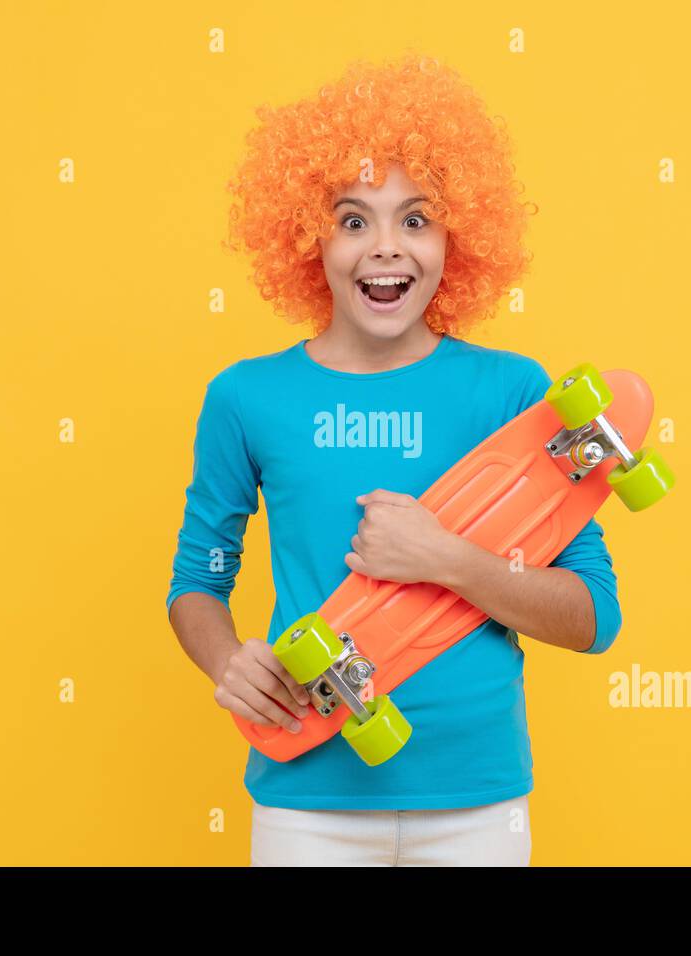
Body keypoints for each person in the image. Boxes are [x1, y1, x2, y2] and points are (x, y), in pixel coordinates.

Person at [166, 53, 622, 866]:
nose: (386, 249)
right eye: (352, 220)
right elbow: (198, 586)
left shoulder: (514, 392)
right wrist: (227, 661)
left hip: (479, 806)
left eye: (415, 219)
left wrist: (444, 558)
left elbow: (592, 618)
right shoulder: (246, 398)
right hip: (307, 799)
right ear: (309, 237)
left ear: (458, 235)